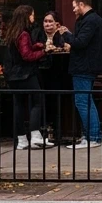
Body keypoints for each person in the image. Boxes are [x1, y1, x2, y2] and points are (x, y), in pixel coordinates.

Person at [61, 0, 102, 149]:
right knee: (86, 101)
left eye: (74, 6)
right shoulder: (93, 20)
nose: (73, 9)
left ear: (81, 4)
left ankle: (92, 137)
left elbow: (80, 43)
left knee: (83, 102)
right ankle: (91, 136)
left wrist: (66, 34)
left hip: (84, 67)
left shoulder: (90, 21)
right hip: (87, 66)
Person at [1, 5, 49, 151]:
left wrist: (36, 46)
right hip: (26, 74)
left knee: (19, 105)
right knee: (37, 101)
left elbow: (21, 50)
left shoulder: (12, 33)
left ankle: (21, 139)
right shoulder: (24, 34)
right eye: (32, 15)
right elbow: (26, 56)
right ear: (26, 16)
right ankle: (35, 136)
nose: (34, 17)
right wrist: (44, 51)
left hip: (13, 76)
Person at [32, 11, 71, 145]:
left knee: (57, 102)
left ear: (57, 23)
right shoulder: (38, 35)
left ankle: (57, 132)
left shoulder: (62, 34)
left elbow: (69, 47)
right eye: (45, 21)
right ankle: (44, 131)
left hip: (58, 73)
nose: (47, 24)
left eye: (50, 21)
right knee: (42, 101)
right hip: (41, 73)